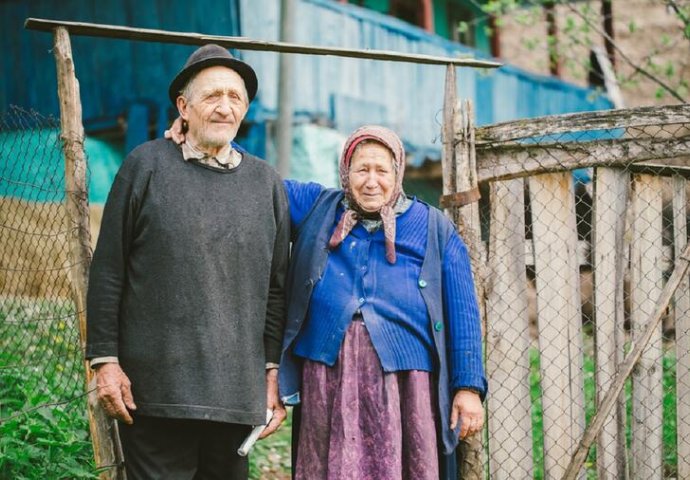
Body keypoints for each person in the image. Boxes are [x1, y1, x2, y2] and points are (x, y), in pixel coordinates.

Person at [86, 44, 289, 479]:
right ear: (184, 106)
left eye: (235, 97)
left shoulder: (266, 183)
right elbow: (108, 271)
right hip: (155, 393)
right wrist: (105, 360)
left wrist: (272, 375)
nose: (224, 107)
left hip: (235, 396)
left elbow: (277, 288)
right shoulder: (145, 166)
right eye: (212, 95)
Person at [278, 125, 487, 479]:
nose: (371, 181)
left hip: (407, 380)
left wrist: (468, 387)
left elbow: (463, 313)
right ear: (346, 171)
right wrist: (207, 135)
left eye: (381, 170)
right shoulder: (318, 207)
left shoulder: (433, 228)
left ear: (398, 173)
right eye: (361, 169)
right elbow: (257, 182)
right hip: (327, 372)